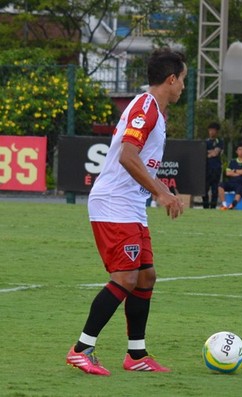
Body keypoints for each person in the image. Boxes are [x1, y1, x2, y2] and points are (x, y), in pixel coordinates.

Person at [66, 48, 187, 376]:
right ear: (171, 79)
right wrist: (161, 192)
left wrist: (157, 192)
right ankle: (81, 349)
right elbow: (127, 156)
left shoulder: (156, 112)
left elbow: (138, 159)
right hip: (113, 204)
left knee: (146, 276)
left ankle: (136, 355)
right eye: (183, 81)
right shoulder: (146, 107)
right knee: (125, 277)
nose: (183, 88)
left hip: (131, 206)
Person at [218, 143, 242, 210]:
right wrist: (240, 172)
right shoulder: (232, 162)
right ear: (236, 151)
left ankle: (233, 205)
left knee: (239, 190)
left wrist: (234, 171)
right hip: (232, 182)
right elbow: (227, 173)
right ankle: (224, 204)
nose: (241, 151)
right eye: (239, 149)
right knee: (221, 185)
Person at [202, 122, 224, 209]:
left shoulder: (219, 141)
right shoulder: (205, 141)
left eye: (213, 130)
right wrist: (210, 152)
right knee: (204, 189)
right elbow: (202, 152)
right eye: (210, 130)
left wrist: (209, 152)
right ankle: (205, 206)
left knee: (215, 189)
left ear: (217, 131)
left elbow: (215, 153)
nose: (211, 132)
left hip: (216, 168)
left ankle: (213, 207)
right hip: (206, 168)